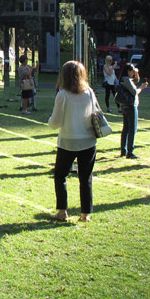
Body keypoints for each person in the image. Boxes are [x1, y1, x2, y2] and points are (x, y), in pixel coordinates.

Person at [48, 60, 98, 223]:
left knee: (60, 176)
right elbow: (95, 112)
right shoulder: (89, 92)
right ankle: (85, 213)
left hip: (68, 141)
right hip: (88, 141)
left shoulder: (63, 95)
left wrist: (50, 122)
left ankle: (63, 211)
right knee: (85, 177)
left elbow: (55, 121)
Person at [119, 63, 147, 159]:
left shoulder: (125, 79)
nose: (133, 73)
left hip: (125, 106)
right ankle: (130, 152)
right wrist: (142, 88)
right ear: (128, 71)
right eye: (132, 71)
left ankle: (124, 150)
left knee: (126, 128)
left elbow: (136, 80)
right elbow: (134, 92)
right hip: (130, 106)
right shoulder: (127, 80)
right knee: (132, 129)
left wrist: (136, 73)